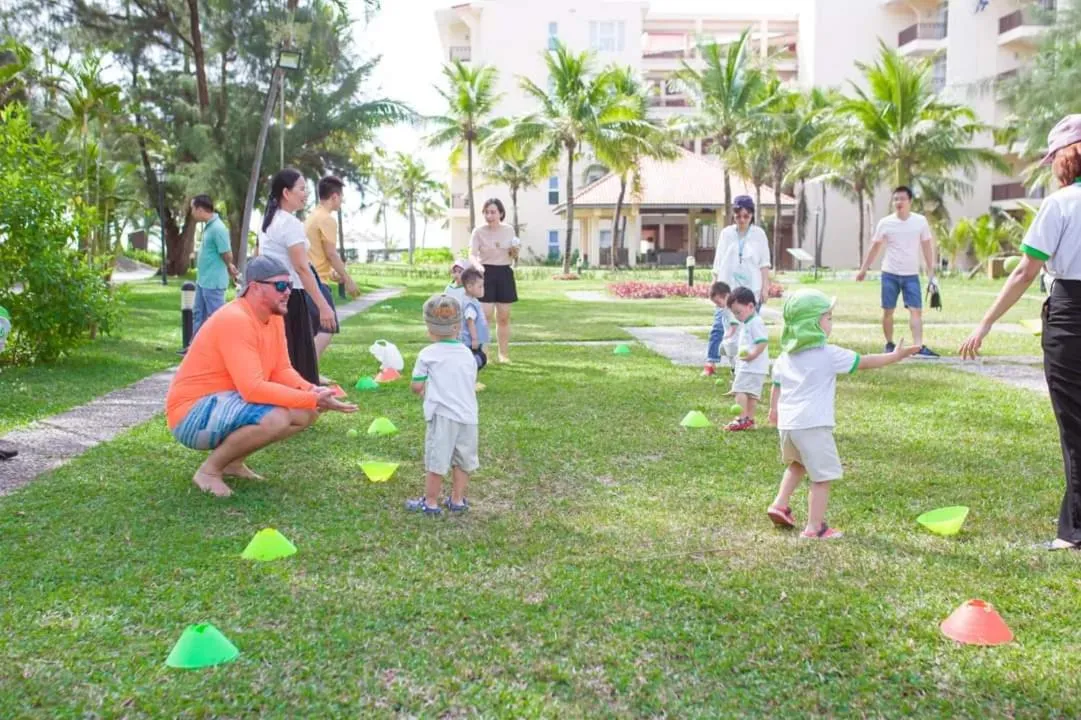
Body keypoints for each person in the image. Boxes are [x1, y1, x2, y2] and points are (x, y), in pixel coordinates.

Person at [960, 114, 1081, 550]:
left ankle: (1075, 533)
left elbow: (1025, 272)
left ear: (1069, 156)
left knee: (1075, 424)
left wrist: (986, 321)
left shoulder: (1061, 203)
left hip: (1072, 314)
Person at [165, 256, 357, 498]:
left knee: (306, 414)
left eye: (289, 285)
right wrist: (311, 397)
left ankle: (233, 463)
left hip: (223, 403)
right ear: (254, 287)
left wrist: (313, 392)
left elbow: (282, 370)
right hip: (190, 415)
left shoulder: (274, 316)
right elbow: (252, 389)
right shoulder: (236, 320)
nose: (287, 291)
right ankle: (209, 472)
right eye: (280, 286)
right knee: (276, 417)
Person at [767, 290, 919, 539]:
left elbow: (777, 385)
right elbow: (866, 361)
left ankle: (780, 504)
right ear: (813, 324)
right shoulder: (828, 354)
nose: (831, 322)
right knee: (822, 477)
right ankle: (815, 528)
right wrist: (895, 356)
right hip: (813, 425)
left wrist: (773, 411)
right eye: (828, 317)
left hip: (789, 426)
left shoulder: (785, 356)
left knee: (798, 464)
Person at [258, 168, 336, 385]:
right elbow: (301, 268)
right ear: (286, 193)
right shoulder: (290, 224)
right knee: (296, 358)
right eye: (302, 189)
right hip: (292, 296)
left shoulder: (268, 221)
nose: (306, 194)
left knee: (281, 355)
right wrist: (323, 305)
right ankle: (297, 405)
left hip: (272, 295)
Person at [407, 294, 479, 515]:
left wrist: (425, 391)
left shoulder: (428, 354)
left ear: (429, 330)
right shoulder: (467, 354)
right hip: (468, 416)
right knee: (463, 460)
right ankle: (457, 500)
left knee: (437, 459)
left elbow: (416, 386)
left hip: (442, 415)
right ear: (458, 328)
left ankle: (430, 503)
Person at [856, 186, 941, 358]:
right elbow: (875, 247)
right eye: (895, 199)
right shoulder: (885, 223)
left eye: (902, 199)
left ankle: (918, 347)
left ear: (910, 201)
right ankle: (889, 344)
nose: (898, 202)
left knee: (916, 310)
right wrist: (863, 269)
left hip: (911, 275)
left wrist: (931, 271)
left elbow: (926, 246)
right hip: (890, 273)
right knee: (888, 311)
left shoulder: (920, 221)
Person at [305, 175, 360, 361]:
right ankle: (308, 371)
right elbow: (331, 253)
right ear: (334, 196)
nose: (341, 201)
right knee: (328, 327)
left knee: (315, 330)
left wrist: (333, 273)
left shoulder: (312, 216)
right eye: (341, 197)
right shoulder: (327, 219)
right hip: (317, 281)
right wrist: (348, 279)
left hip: (312, 278)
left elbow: (315, 254)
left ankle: (310, 371)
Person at [470, 198, 518, 363]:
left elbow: (513, 255)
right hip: (485, 273)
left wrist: (515, 252)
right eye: (486, 212)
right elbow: (472, 254)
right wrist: (478, 267)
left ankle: (503, 354)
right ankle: (484, 354)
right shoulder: (478, 231)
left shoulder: (509, 230)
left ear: (501, 213)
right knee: (485, 316)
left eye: (493, 212)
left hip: (504, 272)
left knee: (503, 317)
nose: (489, 215)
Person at [190, 195, 238, 340]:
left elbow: (227, 253)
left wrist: (229, 265)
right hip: (203, 280)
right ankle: (195, 349)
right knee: (199, 315)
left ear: (199, 209)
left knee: (217, 317)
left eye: (192, 208)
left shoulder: (218, 228)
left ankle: (224, 347)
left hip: (213, 282)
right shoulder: (209, 227)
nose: (191, 212)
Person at [711, 195, 772, 308]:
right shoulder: (726, 233)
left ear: (752, 215)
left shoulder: (759, 234)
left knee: (749, 324)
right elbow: (718, 261)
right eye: (738, 216)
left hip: (751, 289)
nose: (742, 220)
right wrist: (714, 286)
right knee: (722, 325)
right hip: (727, 289)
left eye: (746, 216)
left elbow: (764, 264)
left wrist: (765, 288)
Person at [725, 287, 770, 432]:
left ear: (750, 306)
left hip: (751, 366)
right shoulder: (749, 322)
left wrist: (752, 356)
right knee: (751, 395)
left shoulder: (755, 322)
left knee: (739, 390)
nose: (737, 316)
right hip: (757, 368)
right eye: (734, 313)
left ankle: (741, 419)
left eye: (738, 312)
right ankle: (749, 420)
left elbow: (762, 342)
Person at [459, 268, 490, 387]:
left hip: (473, 340)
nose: (483, 289)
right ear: (470, 287)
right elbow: (470, 321)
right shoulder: (470, 304)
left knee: (474, 361)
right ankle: (469, 382)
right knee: (474, 361)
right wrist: (475, 338)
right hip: (470, 341)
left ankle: (471, 382)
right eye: (480, 287)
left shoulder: (473, 300)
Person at [702, 281, 734, 377]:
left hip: (735, 340)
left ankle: (737, 372)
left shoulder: (733, 310)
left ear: (727, 296)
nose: (718, 305)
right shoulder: (724, 309)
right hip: (729, 340)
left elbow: (734, 325)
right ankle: (735, 371)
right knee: (730, 354)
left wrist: (728, 334)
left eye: (718, 302)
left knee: (735, 356)